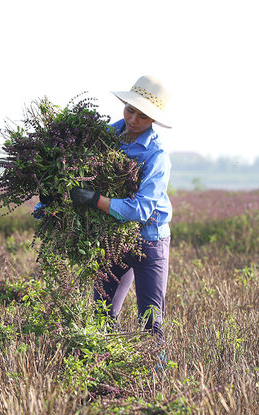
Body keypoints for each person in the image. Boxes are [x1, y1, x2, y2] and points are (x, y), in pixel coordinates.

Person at [70, 75, 173, 336]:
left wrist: (95, 200)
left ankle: (153, 377)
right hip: (113, 238)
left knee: (151, 324)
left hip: (149, 241)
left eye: (143, 116)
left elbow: (140, 210)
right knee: (101, 316)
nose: (133, 120)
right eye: (130, 110)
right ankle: (107, 370)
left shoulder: (156, 156)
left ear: (153, 121)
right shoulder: (105, 138)